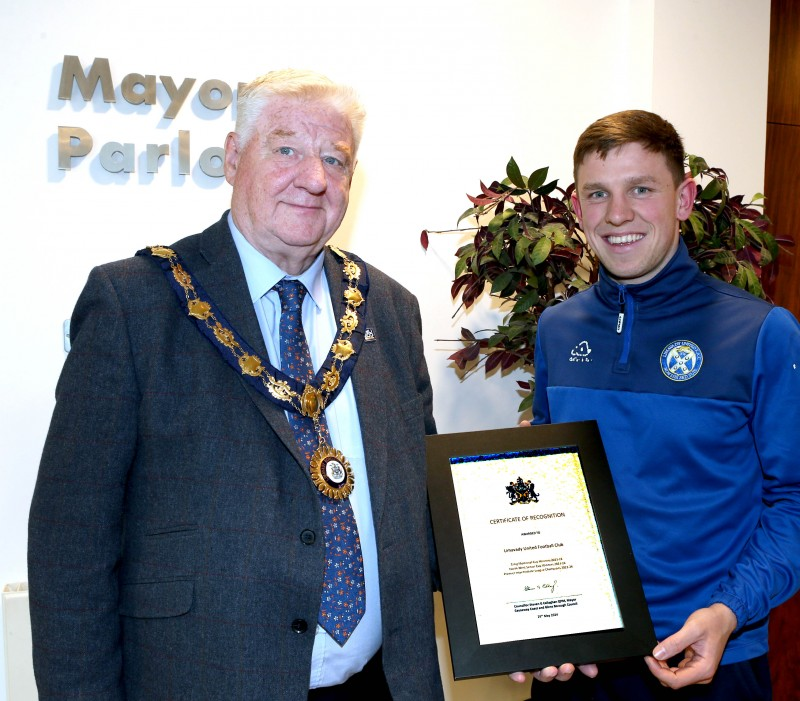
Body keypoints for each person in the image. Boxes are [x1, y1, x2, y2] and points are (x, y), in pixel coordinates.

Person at [28, 69, 444, 701]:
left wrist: (531, 617)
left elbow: (423, 507)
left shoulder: (390, 308)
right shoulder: (134, 305)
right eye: (287, 150)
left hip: (383, 685)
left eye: (336, 159)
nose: (314, 178)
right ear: (231, 158)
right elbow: (71, 552)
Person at [515, 110, 800, 699]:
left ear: (684, 199)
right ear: (577, 207)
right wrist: (534, 618)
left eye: (641, 189)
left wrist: (730, 609)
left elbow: (794, 500)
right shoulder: (557, 329)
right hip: (581, 659)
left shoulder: (763, 333)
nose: (617, 215)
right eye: (598, 194)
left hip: (710, 656)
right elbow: (548, 486)